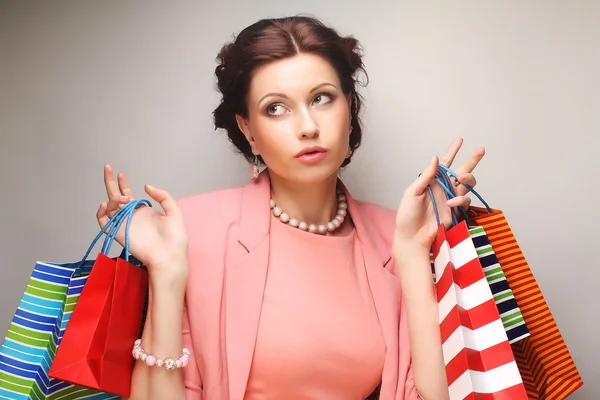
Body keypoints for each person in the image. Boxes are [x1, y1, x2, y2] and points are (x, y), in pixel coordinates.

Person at [97, 15, 484, 400]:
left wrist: (415, 253)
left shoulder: (394, 236)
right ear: (248, 129)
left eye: (321, 99)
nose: (307, 126)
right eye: (276, 108)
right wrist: (164, 271)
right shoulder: (193, 228)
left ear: (349, 109)